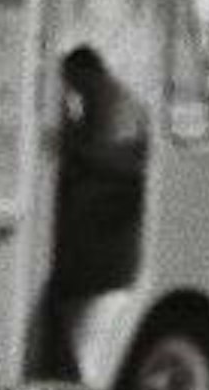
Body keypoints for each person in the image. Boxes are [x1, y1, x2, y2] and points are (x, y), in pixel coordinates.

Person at [47, 45, 150, 371]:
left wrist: (71, 148)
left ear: (83, 74)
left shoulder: (108, 99)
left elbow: (96, 153)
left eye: (72, 80)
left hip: (108, 203)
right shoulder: (109, 96)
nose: (70, 88)